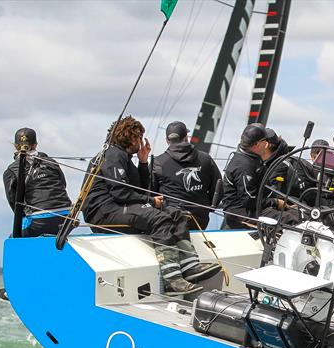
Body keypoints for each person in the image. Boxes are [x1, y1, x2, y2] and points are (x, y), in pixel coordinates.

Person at [83, 116, 219, 297]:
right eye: (139, 137)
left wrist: (143, 162)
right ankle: (172, 280)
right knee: (159, 218)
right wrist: (152, 201)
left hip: (118, 206)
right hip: (103, 211)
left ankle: (190, 265)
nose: (141, 141)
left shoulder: (125, 157)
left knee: (176, 213)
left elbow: (140, 188)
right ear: (131, 138)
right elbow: (121, 193)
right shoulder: (113, 154)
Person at [151, 121, 221, 231]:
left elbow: (150, 193)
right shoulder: (206, 159)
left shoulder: (158, 162)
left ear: (167, 140)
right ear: (186, 138)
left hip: (170, 221)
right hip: (200, 220)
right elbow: (219, 187)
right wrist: (210, 207)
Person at [2, 128, 72, 237]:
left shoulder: (11, 171)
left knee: (12, 240)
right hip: (67, 219)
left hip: (38, 221)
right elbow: (63, 184)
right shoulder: (51, 162)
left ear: (16, 146)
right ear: (35, 145)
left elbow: (14, 203)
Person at [218, 123, 268, 229]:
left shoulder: (251, 159)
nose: (267, 144)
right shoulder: (243, 166)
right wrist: (276, 202)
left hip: (250, 211)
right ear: (257, 144)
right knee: (286, 219)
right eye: (265, 141)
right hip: (241, 216)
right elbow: (249, 199)